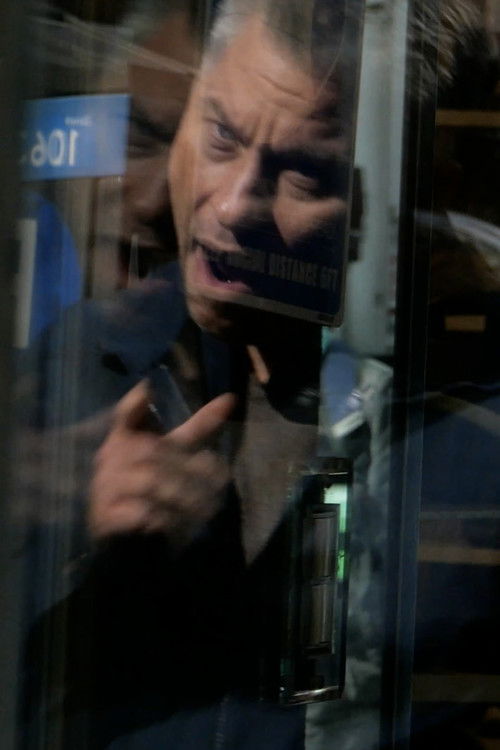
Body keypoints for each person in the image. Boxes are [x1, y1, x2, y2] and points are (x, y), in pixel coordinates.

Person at [22, 1, 364, 748]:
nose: (234, 204)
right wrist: (79, 551)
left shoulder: (411, 418)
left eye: (305, 174)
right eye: (220, 137)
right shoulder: (79, 366)